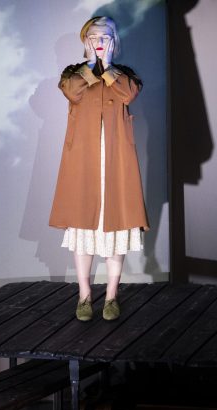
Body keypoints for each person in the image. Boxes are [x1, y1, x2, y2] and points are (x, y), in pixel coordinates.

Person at [49, 16, 149, 322]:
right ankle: (84, 296)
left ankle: (111, 296)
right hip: (84, 163)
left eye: (105, 36)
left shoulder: (124, 75)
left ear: (114, 41)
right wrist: (92, 65)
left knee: (117, 227)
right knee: (83, 229)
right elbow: (72, 92)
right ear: (85, 41)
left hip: (116, 163)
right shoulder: (73, 73)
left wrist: (107, 69)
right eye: (93, 36)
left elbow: (128, 94)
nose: (99, 40)